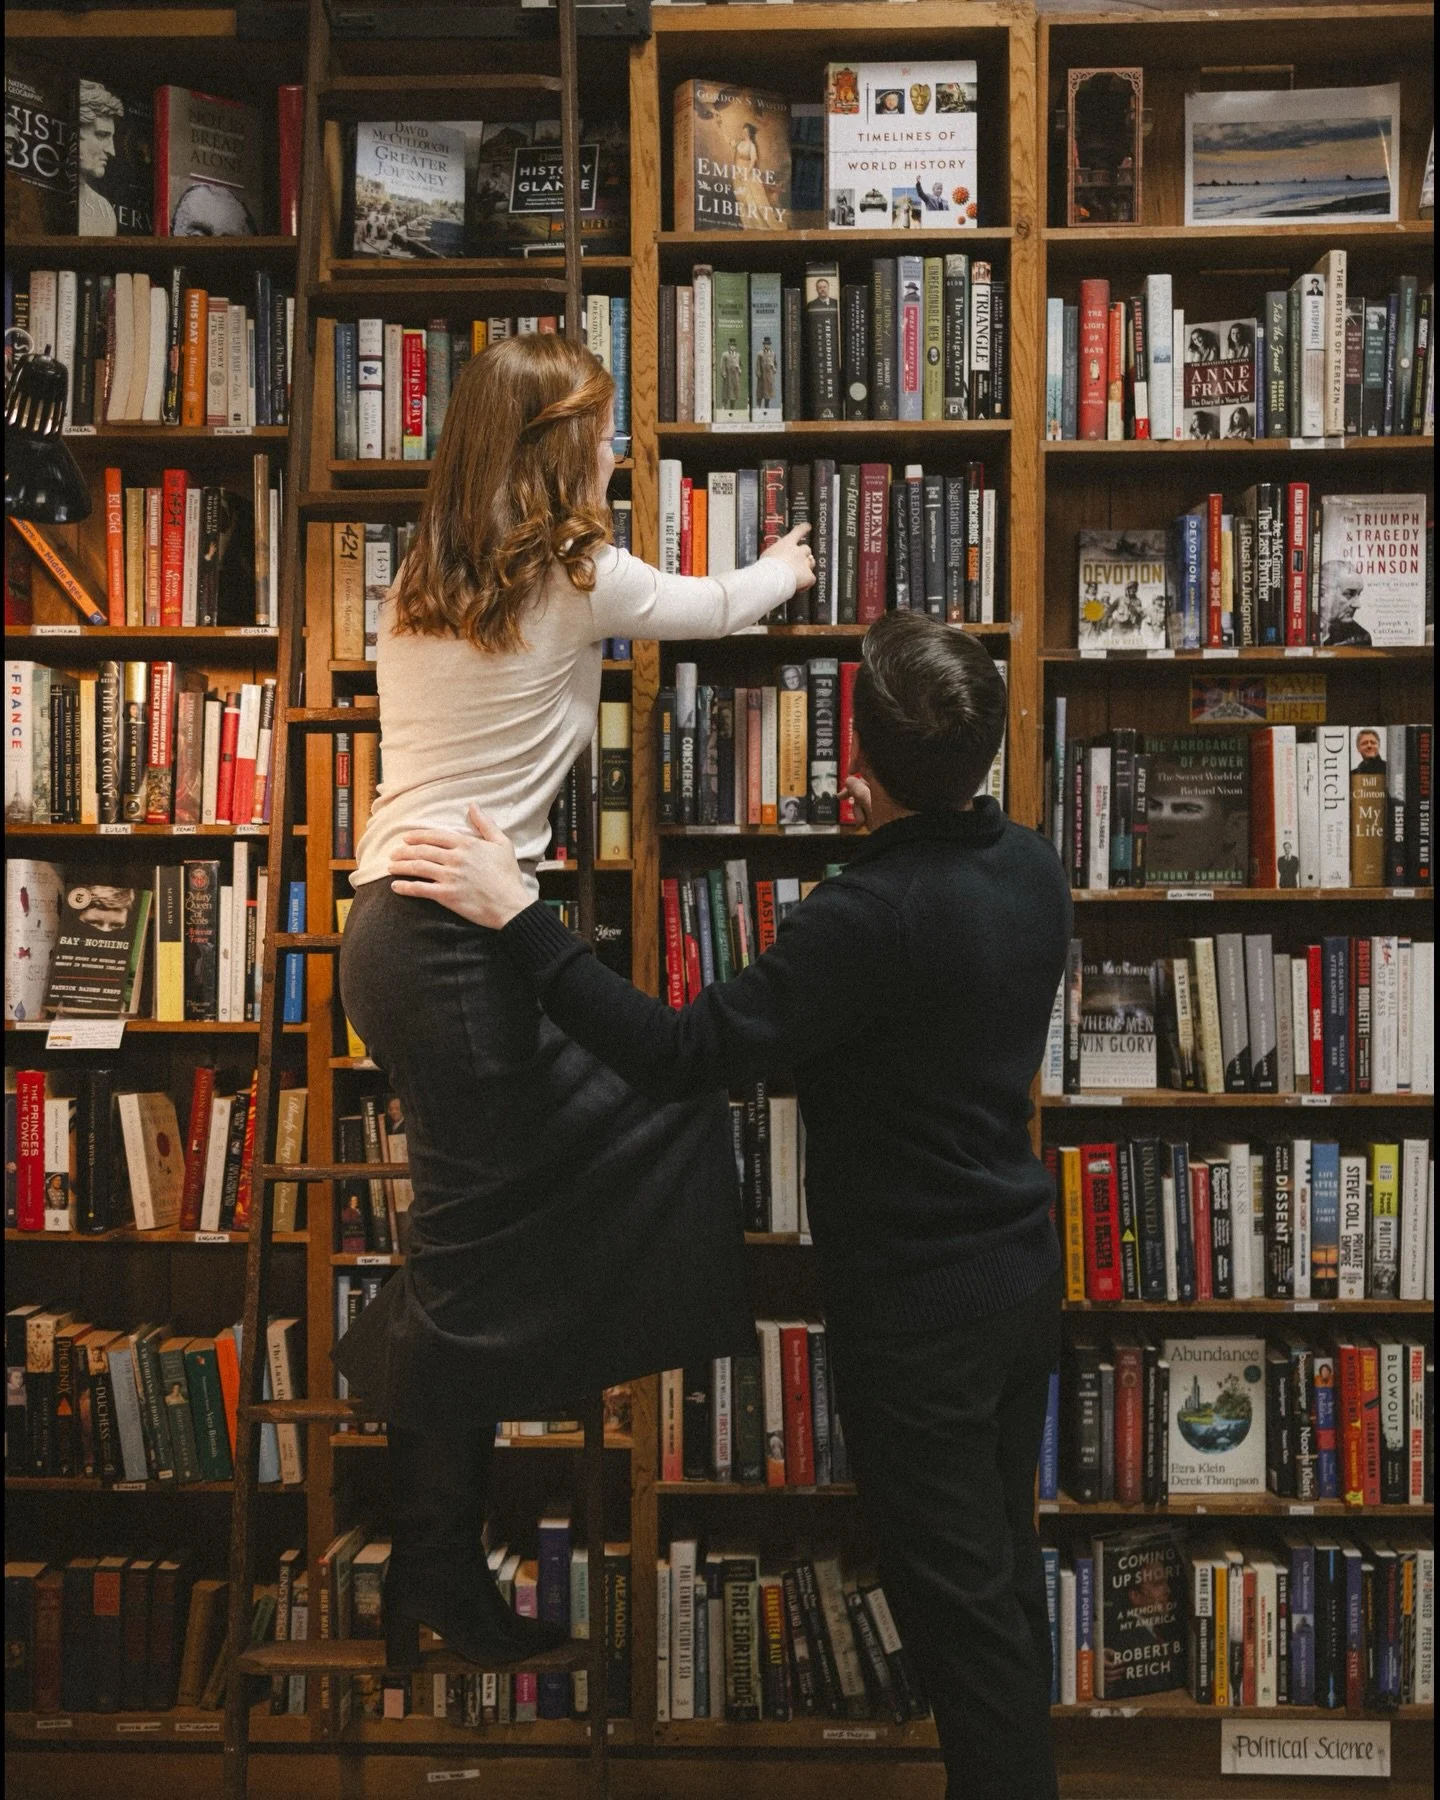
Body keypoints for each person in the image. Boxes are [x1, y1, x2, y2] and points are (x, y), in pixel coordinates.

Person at [390, 612, 1070, 1799]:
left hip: (918, 1317)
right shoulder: (1033, 867)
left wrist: (521, 917)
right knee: (1001, 1589)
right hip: (1017, 1278)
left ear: (856, 775)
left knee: (962, 1619)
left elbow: (678, 1052)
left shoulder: (862, 921)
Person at [336, 331, 816, 1672]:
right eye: (599, 428)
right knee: (485, 1250)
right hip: (454, 942)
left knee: (526, 1203)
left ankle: (433, 1544)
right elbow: (717, 609)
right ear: (554, 446)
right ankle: (429, 1551)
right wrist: (787, 567)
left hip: (393, 931)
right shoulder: (570, 574)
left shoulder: (422, 581)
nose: (615, 449)